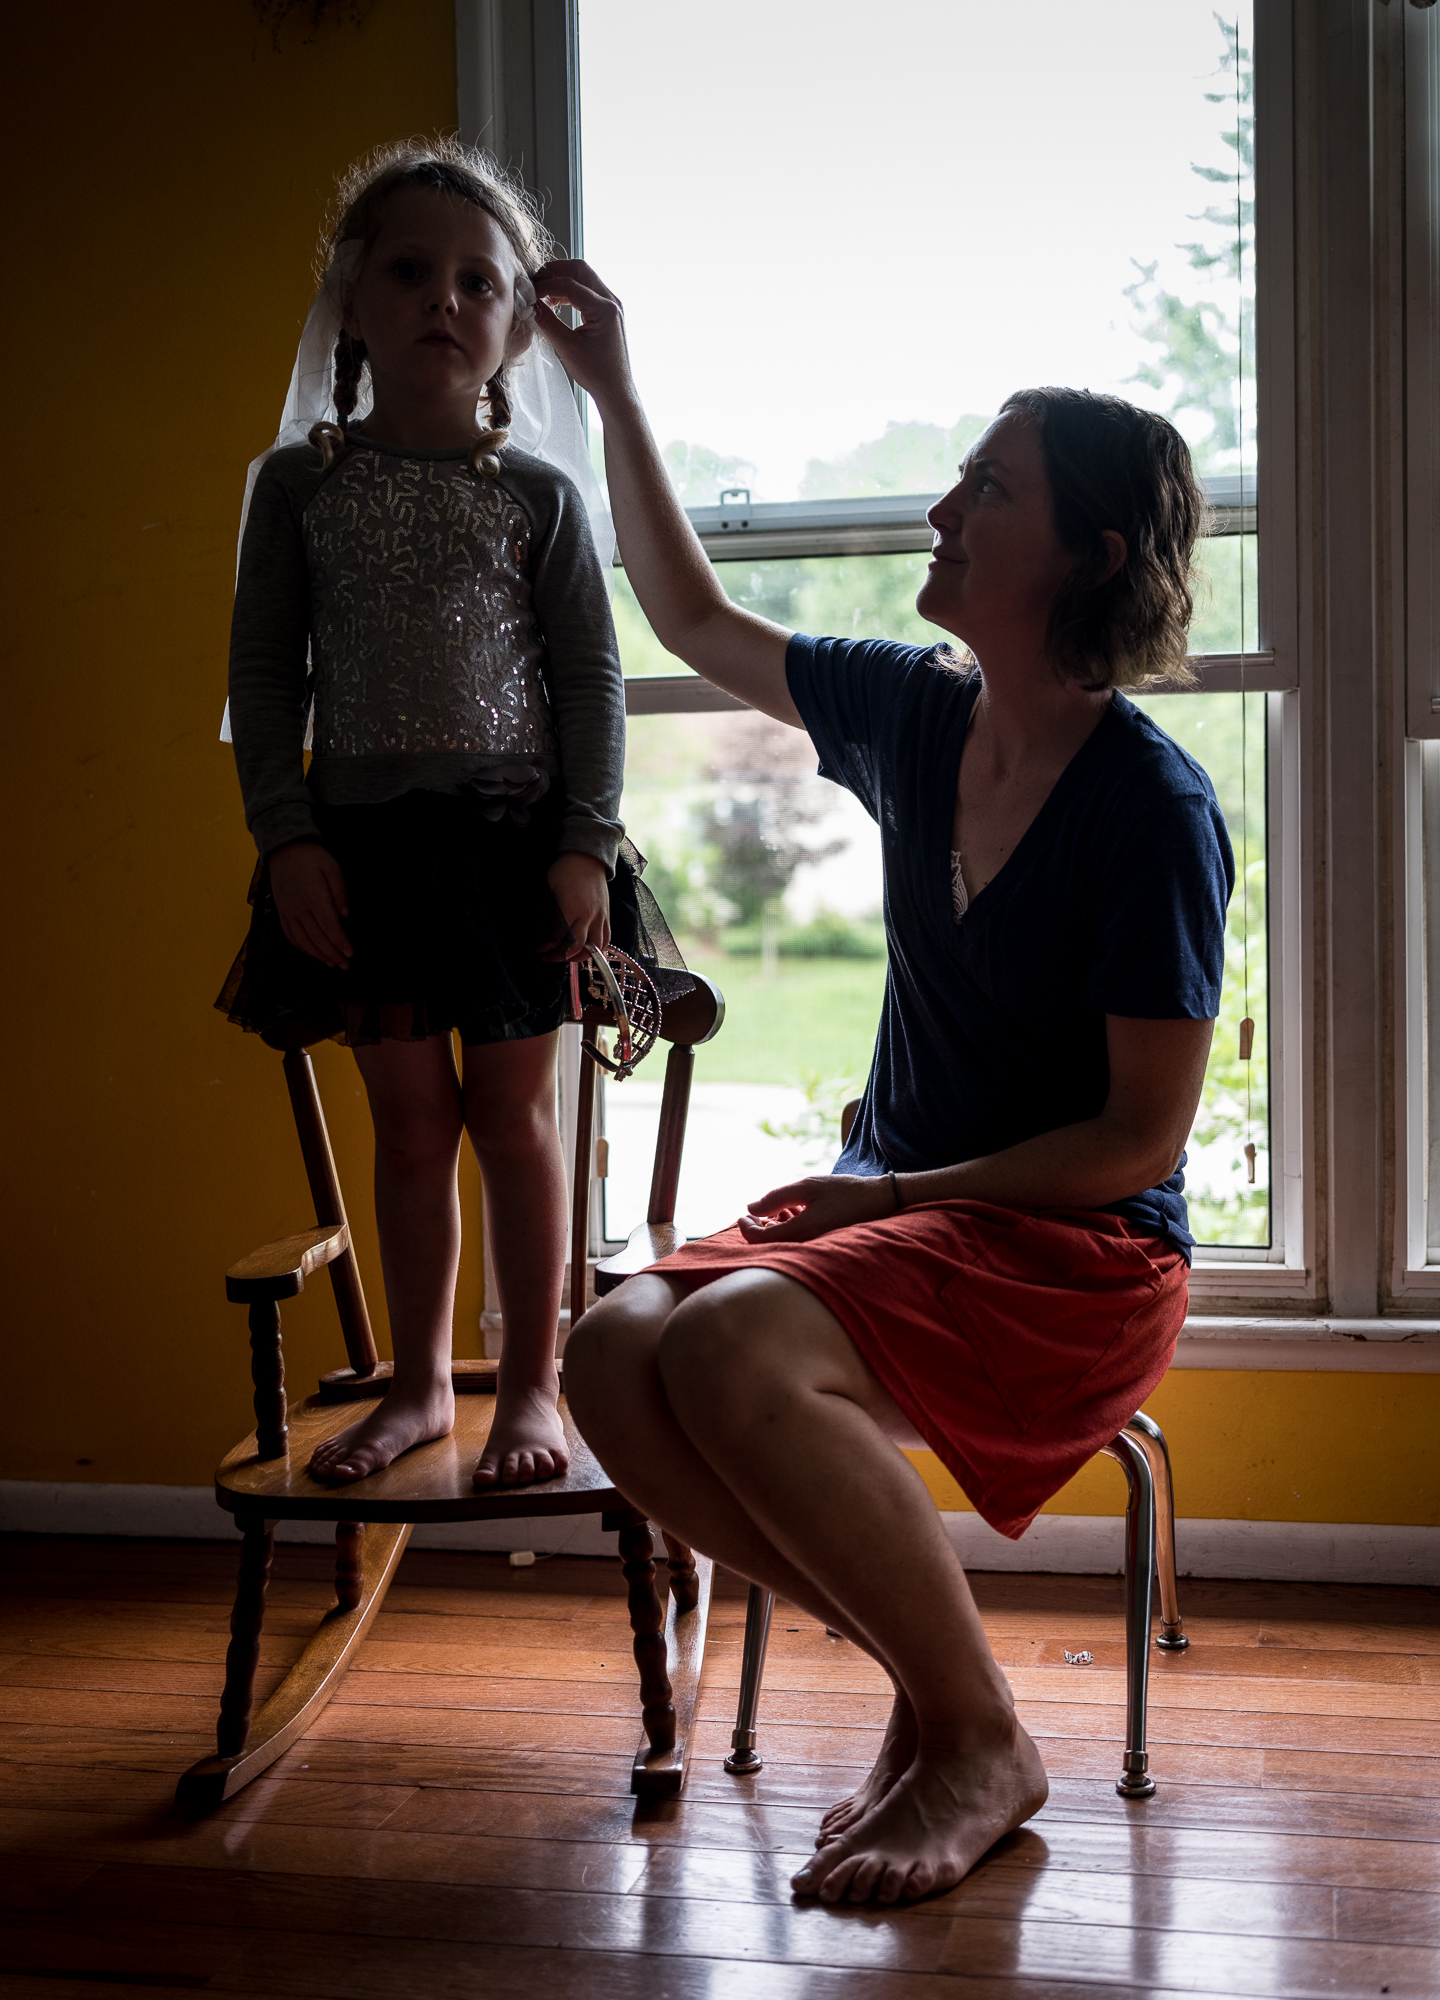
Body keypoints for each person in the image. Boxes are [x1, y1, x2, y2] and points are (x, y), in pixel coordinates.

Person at [540, 261, 1233, 1904]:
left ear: (1090, 554)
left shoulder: (1154, 813)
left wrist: (905, 1195)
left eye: (987, 488)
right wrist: (623, 394)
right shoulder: (915, 717)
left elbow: (1138, 1138)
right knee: (614, 1354)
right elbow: (696, 620)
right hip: (895, 1217)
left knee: (729, 1342)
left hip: (1078, 1251)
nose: (942, 506)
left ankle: (981, 1733)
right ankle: (941, 1701)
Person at [217, 144, 676, 1491]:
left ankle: (532, 1385)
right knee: (409, 1129)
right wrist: (287, 837)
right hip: (367, 862)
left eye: (479, 282)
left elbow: (592, 683)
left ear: (517, 323)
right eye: (410, 272)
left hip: (514, 861)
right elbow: (263, 674)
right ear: (352, 303)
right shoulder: (299, 488)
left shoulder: (537, 494)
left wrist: (587, 843)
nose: (443, 299)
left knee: (514, 1124)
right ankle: (422, 1385)